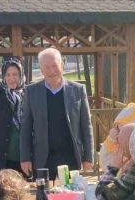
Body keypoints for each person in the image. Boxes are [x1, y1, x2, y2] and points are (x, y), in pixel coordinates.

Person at [20, 48, 94, 179]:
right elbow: (25, 127)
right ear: (41, 69)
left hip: (70, 155)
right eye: (46, 67)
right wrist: (25, 157)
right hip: (42, 157)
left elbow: (86, 126)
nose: (51, 71)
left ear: (62, 65)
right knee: (44, 196)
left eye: (54, 65)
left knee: (70, 195)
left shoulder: (77, 90)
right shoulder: (31, 91)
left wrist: (88, 157)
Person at [98, 103, 135, 169]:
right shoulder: (123, 146)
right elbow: (104, 163)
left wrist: (113, 169)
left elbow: (109, 178)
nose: (120, 136)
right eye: (118, 130)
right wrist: (110, 142)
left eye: (125, 131)